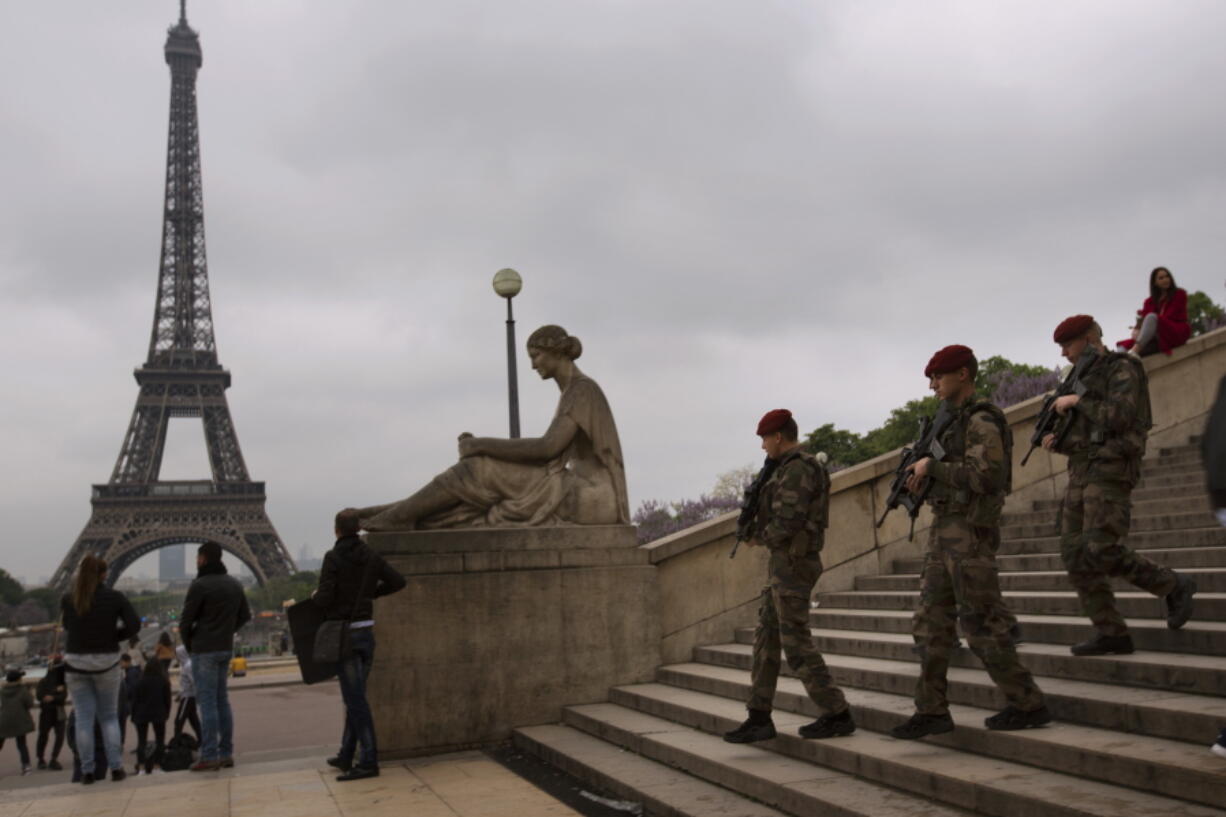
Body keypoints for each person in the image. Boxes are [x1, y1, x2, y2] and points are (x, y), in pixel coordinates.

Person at [888, 346, 1050, 739]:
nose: (933, 386)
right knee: (930, 624)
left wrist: (935, 468)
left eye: (938, 377)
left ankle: (1028, 703)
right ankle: (931, 711)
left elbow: (986, 477)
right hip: (944, 532)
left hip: (971, 535)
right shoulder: (950, 422)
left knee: (980, 624)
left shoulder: (982, 420)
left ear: (963, 375)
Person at [355, 325, 629, 530]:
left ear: (556, 353)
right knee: (478, 490)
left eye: (536, 356)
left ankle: (399, 515)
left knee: (479, 468)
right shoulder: (574, 391)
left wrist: (480, 444)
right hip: (577, 490)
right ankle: (396, 512)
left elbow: (548, 448)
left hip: (592, 499)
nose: (533, 365)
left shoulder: (583, 390)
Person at [1043, 315, 1196, 655]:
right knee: (1074, 554)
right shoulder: (1080, 379)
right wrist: (1060, 441)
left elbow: (1121, 417)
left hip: (1112, 471)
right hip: (1081, 473)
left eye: (1068, 345)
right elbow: (1086, 437)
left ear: (1087, 338)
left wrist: (1079, 402)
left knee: (1101, 548)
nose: (1065, 353)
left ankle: (1173, 584)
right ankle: (1110, 631)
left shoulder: (1122, 367)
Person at [723, 410, 855, 744]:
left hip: (794, 564)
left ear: (778, 437)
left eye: (765, 439)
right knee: (767, 641)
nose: (763, 446)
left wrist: (758, 537)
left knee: (795, 642)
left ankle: (837, 712)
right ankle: (758, 716)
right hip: (784, 564)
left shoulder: (798, 468)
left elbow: (787, 522)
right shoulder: (783, 468)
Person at [314, 508, 406, 781]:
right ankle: (346, 754)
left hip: (345, 636)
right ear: (359, 528)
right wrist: (370, 594)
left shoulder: (333, 557)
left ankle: (368, 761)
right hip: (366, 635)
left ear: (337, 530)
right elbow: (398, 581)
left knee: (356, 702)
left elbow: (324, 598)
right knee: (356, 698)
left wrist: (316, 595)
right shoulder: (370, 556)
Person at [60, 554, 140, 784]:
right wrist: (114, 636)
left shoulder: (68, 598)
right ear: (104, 574)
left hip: (76, 663)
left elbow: (67, 626)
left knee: (83, 719)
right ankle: (116, 768)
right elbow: (134, 625)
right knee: (109, 718)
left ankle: (87, 771)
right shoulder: (115, 598)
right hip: (106, 661)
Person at [179, 542, 251, 772]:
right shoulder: (234, 584)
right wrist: (227, 631)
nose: (196, 561)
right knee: (222, 701)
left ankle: (209, 755)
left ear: (203, 558)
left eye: (198, 557)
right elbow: (245, 615)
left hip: (204, 650)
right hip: (224, 648)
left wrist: (191, 643)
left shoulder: (199, 585)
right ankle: (226, 752)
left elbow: (185, 622)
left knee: (207, 702)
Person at [1116, 267, 1190, 357]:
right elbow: (1144, 322)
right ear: (1155, 282)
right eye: (1161, 278)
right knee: (1125, 345)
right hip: (1156, 336)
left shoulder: (1179, 294)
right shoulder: (1149, 302)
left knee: (1152, 317)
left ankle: (1134, 351)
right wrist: (1137, 330)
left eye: (1167, 276)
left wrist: (1148, 327)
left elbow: (1170, 316)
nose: (1165, 280)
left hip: (1175, 332)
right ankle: (1117, 360)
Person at [130, 659, 172, 775]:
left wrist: (133, 715)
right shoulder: (163, 681)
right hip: (158, 712)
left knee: (141, 741)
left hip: (141, 713)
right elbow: (167, 700)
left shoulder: (139, 681)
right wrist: (166, 713)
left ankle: (142, 767)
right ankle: (157, 766)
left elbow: (135, 701)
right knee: (160, 740)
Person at [34, 654, 67, 770]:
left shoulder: (62, 682)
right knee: (43, 736)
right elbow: (39, 695)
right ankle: (41, 758)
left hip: (58, 711)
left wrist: (52, 697)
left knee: (60, 736)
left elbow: (63, 696)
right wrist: (54, 693)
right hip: (46, 712)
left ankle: (54, 758)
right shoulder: (43, 681)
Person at [0, 668, 35, 774]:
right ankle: (26, 766)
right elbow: (30, 704)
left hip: (3, 721)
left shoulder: (2, 691)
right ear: (17, 680)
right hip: (20, 721)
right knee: (21, 744)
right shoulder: (22, 690)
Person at [173, 644, 201, 743]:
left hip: (188, 697)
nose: (175, 657)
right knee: (194, 721)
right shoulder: (186, 665)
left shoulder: (188, 666)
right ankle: (201, 740)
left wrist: (197, 697)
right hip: (188, 696)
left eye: (176, 654)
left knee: (179, 720)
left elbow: (194, 682)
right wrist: (180, 694)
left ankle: (176, 743)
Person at [117, 652, 140, 750]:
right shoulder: (131, 671)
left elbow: (131, 688)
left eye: (121, 662)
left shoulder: (131, 672)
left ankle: (121, 743)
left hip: (131, 702)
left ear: (127, 662)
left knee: (122, 721)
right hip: (131, 702)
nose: (120, 664)